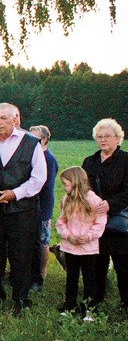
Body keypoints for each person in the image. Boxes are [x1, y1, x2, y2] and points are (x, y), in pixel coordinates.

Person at [0, 102, 47, 315]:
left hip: (22, 210)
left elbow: (39, 179)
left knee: (21, 256)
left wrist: (14, 194)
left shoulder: (31, 144)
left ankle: (20, 299)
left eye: (3, 118)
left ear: (15, 119)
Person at [82, 118, 128, 312]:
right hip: (94, 221)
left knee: (123, 265)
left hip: (118, 221)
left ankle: (126, 302)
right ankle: (94, 300)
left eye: (107, 136)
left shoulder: (126, 161)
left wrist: (110, 204)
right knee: (95, 264)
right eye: (99, 137)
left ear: (118, 139)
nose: (103, 140)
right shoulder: (89, 161)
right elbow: (82, 188)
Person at [56, 166, 106, 318]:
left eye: (65, 184)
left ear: (76, 182)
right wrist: (67, 235)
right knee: (71, 277)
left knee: (89, 279)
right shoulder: (66, 200)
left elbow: (100, 222)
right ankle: (69, 307)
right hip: (70, 247)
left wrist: (89, 236)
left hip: (88, 249)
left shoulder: (94, 200)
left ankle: (89, 310)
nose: (63, 187)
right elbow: (61, 221)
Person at [29, 125, 59, 292]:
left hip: (43, 206)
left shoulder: (48, 158)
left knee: (42, 241)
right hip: (30, 206)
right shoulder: (33, 155)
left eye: (37, 140)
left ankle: (41, 274)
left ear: (45, 139)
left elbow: (44, 185)